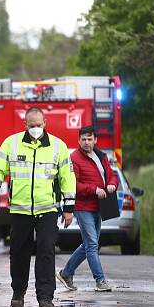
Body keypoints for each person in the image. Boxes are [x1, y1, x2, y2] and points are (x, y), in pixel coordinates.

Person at [0, 107, 76, 307]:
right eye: (32, 125)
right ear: (25, 124)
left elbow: (68, 178)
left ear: (45, 123)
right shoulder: (12, 143)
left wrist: (68, 207)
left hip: (48, 209)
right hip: (20, 210)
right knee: (19, 253)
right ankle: (18, 292)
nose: (36, 129)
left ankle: (45, 298)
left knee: (46, 251)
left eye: (39, 125)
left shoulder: (58, 147)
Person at [56, 125, 119, 292]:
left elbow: (111, 174)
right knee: (92, 244)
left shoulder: (101, 155)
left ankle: (66, 273)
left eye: (89, 139)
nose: (86, 142)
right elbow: (73, 183)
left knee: (88, 244)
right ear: (78, 140)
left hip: (100, 206)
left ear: (95, 140)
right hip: (83, 207)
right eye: (83, 139)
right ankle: (100, 281)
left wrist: (112, 184)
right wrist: (94, 189)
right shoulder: (74, 158)